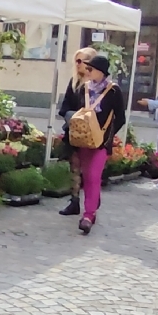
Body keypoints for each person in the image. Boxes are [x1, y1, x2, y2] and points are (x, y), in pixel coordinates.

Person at [70, 55, 126, 235]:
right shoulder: (84, 89)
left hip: (101, 143)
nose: (87, 72)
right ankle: (93, 205)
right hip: (84, 141)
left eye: (90, 69)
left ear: (101, 72)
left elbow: (121, 118)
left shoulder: (114, 91)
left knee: (94, 176)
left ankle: (88, 215)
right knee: (87, 177)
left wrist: (107, 135)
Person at [56, 46, 99, 217]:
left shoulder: (96, 85)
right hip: (73, 132)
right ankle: (74, 201)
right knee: (74, 167)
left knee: (89, 171)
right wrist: (71, 117)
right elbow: (64, 105)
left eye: (81, 61)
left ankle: (92, 201)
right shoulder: (74, 82)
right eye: (77, 61)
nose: (78, 64)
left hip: (91, 134)